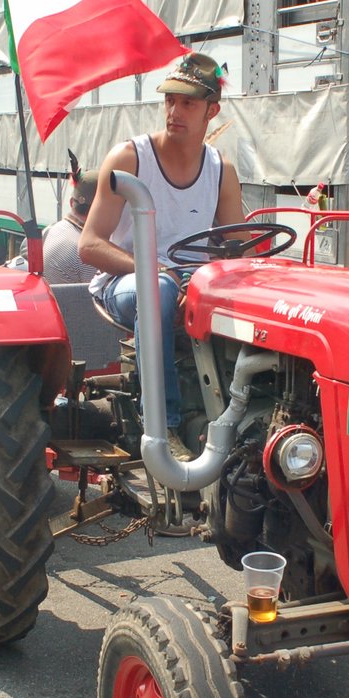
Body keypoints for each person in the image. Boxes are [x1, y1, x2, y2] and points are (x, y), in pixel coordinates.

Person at [79, 51, 245, 458]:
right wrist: (158, 270)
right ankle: (162, 427)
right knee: (158, 290)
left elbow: (238, 247)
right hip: (127, 283)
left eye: (188, 102)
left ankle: (244, 419)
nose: (175, 111)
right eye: (170, 100)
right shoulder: (130, 159)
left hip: (193, 283)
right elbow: (90, 244)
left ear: (211, 110)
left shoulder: (220, 170)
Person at [43, 154, 100, 284]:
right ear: (100, 210)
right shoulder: (87, 252)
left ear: (71, 202)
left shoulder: (51, 230)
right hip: (70, 304)